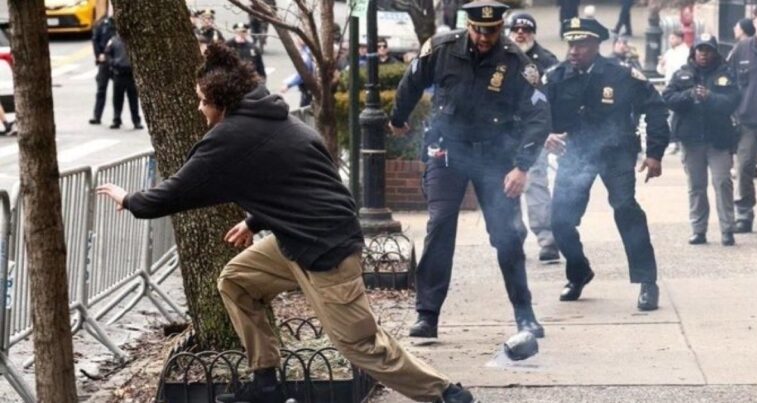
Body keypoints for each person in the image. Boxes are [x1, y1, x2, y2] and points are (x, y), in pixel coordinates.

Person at [96, 43, 475, 403]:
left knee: (360, 346)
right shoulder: (275, 119)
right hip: (296, 240)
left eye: (202, 101)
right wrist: (255, 220)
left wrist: (130, 199)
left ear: (221, 102)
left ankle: (445, 393)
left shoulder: (230, 138)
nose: (199, 109)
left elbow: (177, 191)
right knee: (236, 281)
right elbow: (293, 181)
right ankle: (266, 385)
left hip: (327, 249)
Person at [390, 0, 551, 340]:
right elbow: (413, 80)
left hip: (495, 157)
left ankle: (525, 315)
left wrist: (522, 167)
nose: (483, 38)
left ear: (500, 28)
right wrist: (397, 117)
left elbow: (539, 116)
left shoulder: (516, 62)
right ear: (469, 26)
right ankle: (427, 315)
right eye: (478, 30)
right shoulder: (442, 49)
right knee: (440, 224)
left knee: (507, 235)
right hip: (447, 151)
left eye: (491, 32)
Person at [543, 17, 670, 311]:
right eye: (571, 44)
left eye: (581, 44)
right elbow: (534, 112)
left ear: (596, 45)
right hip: (575, 152)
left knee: (626, 209)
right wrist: (544, 135)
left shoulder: (621, 74)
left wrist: (655, 153)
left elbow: (656, 109)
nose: (574, 50)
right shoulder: (556, 76)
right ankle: (578, 272)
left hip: (616, 152)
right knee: (560, 220)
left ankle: (647, 282)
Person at [663, 34, 740, 246]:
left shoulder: (726, 74)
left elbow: (733, 100)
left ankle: (727, 229)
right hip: (691, 140)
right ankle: (698, 230)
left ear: (715, 52)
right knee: (696, 186)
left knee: (722, 182)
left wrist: (711, 97)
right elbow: (668, 98)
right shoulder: (682, 74)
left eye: (708, 50)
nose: (704, 54)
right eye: (700, 49)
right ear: (694, 52)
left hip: (718, 140)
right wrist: (690, 95)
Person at [507, 12, 560, 262]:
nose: (520, 33)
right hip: (503, 133)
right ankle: (514, 236)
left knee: (536, 183)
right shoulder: (498, 57)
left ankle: (547, 238)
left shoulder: (547, 60)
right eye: (516, 29)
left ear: (533, 34)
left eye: (526, 30)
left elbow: (554, 100)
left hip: (533, 131)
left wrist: (549, 130)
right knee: (507, 186)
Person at [729, 4, 757, 234]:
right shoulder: (741, 49)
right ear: (754, 22)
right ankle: (743, 215)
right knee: (743, 168)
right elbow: (727, 80)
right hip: (746, 122)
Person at [105, 33, 143, 130]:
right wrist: (113, 63)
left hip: (131, 74)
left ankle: (136, 121)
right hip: (119, 73)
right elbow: (107, 53)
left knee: (133, 99)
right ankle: (116, 119)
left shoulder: (133, 39)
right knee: (117, 99)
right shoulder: (113, 40)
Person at [89, 15, 116, 125]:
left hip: (118, 62)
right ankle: (97, 116)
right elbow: (95, 40)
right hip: (104, 61)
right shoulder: (103, 24)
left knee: (121, 92)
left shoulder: (119, 23)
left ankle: (117, 118)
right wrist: (98, 55)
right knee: (101, 90)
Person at [281, 36, 314, 107]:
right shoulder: (307, 51)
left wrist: (288, 84)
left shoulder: (306, 54)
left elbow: (303, 73)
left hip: (310, 88)